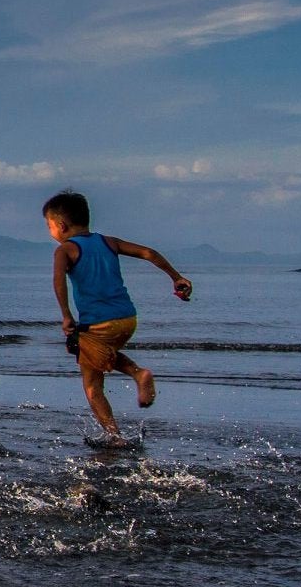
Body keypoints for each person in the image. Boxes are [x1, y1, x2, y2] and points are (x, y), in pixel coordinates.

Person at [44, 190, 195, 445]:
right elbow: (148, 252)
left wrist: (66, 316)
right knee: (102, 355)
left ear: (61, 225)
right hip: (128, 319)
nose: (50, 232)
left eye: (48, 226)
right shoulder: (108, 242)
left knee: (92, 386)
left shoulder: (65, 251)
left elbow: (58, 282)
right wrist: (176, 276)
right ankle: (132, 386)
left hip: (98, 324)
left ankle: (115, 432)